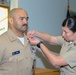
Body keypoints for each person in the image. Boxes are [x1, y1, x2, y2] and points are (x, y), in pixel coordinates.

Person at [0, 8, 36, 75]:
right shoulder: (2, 41)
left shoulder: (30, 41)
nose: (25, 22)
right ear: (11, 20)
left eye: (27, 19)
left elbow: (32, 68)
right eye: (21, 19)